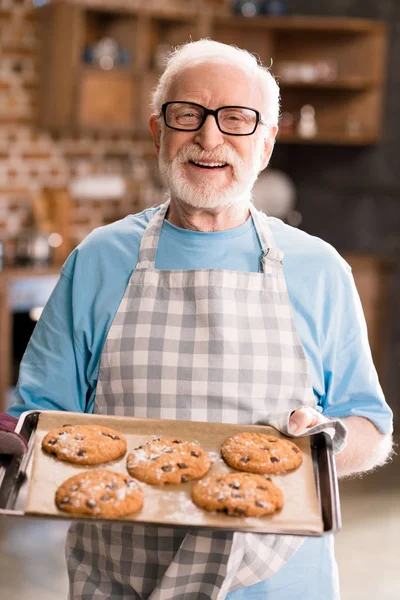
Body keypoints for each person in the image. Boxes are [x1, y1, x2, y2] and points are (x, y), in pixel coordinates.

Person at [0, 40, 393, 600]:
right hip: (119, 576)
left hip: (278, 583)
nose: (210, 138)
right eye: (188, 115)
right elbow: (36, 421)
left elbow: (371, 429)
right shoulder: (97, 260)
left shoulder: (319, 269)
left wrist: (327, 441)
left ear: (265, 144)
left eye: (237, 120)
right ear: (159, 132)